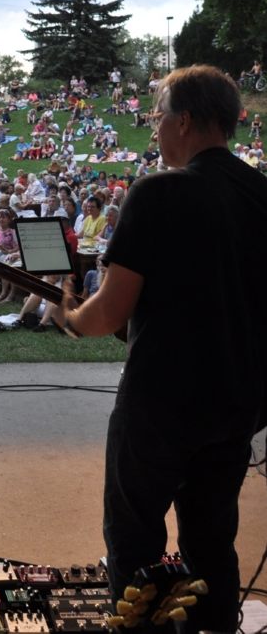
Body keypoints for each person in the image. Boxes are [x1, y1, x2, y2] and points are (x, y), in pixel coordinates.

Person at [60, 65, 267, 633]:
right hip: (237, 406)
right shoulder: (262, 195)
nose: (153, 131)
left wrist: (70, 318)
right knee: (211, 538)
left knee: (136, 536)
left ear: (184, 121)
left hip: (161, 403)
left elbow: (108, 314)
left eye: (156, 118)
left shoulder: (159, 192)